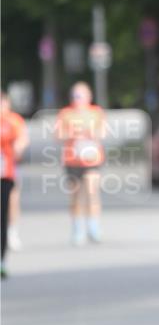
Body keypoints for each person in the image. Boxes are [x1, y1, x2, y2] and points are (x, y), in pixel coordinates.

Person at [55, 82, 105, 245]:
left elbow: (103, 132)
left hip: (92, 159)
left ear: (89, 96)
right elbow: (57, 135)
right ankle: (77, 228)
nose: (78, 99)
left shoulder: (96, 112)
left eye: (81, 95)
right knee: (76, 196)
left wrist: (91, 133)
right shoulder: (66, 113)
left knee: (92, 192)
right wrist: (72, 133)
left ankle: (93, 227)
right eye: (76, 95)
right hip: (73, 160)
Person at [1, 92, 29, 278]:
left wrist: (18, 147)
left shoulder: (13, 120)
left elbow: (22, 139)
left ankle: (2, 258)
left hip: (6, 173)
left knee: (5, 209)